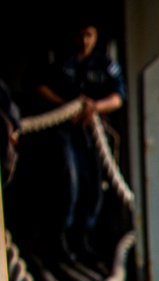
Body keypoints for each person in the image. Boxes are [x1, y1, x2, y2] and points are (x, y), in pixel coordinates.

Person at [22, 16, 125, 262]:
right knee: (68, 180)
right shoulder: (58, 60)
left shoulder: (103, 64)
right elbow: (36, 85)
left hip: (91, 132)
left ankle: (83, 239)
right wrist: (67, 107)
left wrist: (94, 107)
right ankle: (60, 239)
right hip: (61, 130)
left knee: (93, 182)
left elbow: (118, 96)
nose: (84, 41)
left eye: (89, 35)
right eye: (80, 35)